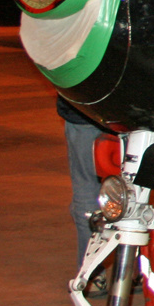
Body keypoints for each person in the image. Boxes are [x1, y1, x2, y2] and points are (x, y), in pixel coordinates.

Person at [57, 95, 107, 291]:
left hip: (84, 111)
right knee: (131, 194)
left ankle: (91, 275)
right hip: (131, 112)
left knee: (86, 194)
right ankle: (132, 272)